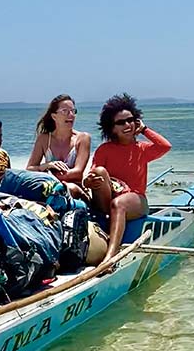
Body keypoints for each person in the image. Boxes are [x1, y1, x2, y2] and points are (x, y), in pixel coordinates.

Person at [84, 93, 171, 263]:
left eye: (131, 120)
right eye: (121, 122)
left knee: (119, 204)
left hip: (136, 200)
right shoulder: (105, 150)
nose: (127, 125)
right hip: (108, 200)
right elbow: (92, 175)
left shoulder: (142, 149)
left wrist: (145, 130)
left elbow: (165, 146)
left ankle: (111, 256)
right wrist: (87, 182)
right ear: (112, 128)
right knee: (100, 172)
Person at [26, 94, 90, 200]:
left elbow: (77, 173)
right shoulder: (44, 139)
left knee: (69, 188)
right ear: (54, 116)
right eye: (65, 111)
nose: (71, 115)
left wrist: (47, 176)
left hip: (74, 190)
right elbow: (29, 169)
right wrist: (47, 165)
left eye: (73, 111)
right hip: (49, 189)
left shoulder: (82, 138)